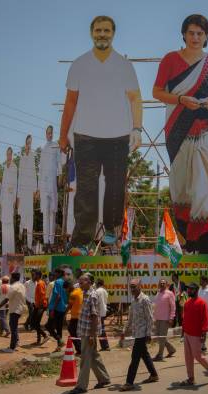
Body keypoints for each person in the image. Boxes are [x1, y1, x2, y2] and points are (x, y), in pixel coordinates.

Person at [59, 15, 142, 251]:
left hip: (118, 136)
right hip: (85, 136)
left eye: (106, 30)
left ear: (113, 33)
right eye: (98, 30)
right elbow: (70, 103)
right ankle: (82, 241)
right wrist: (63, 134)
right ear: (91, 33)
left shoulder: (124, 66)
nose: (102, 34)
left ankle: (111, 228)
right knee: (86, 188)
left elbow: (136, 98)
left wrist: (137, 128)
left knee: (116, 185)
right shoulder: (79, 64)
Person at [152, 14, 208, 254]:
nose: (195, 37)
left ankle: (206, 239)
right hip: (179, 129)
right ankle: (190, 238)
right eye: (191, 32)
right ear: (184, 34)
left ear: (207, 36)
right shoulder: (170, 60)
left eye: (200, 33)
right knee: (182, 184)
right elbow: (157, 92)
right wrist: (180, 99)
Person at [69, 274, 111, 394]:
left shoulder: (92, 295)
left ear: (88, 282)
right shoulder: (86, 294)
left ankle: (81, 386)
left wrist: (92, 335)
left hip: (88, 333)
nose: (79, 284)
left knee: (85, 359)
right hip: (86, 331)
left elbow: (94, 316)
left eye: (82, 282)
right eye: (79, 282)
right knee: (93, 356)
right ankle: (104, 379)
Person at [119, 278, 158, 391]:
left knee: (135, 358)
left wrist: (149, 333)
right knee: (144, 354)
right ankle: (154, 375)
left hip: (143, 334)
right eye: (131, 287)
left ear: (140, 287)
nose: (132, 289)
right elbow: (130, 318)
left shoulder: (145, 300)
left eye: (134, 286)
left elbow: (150, 318)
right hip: (136, 333)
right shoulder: (133, 300)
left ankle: (129, 382)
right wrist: (124, 331)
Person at [178, 282, 208, 386]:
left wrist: (204, 332)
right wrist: (183, 331)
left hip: (196, 334)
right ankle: (190, 378)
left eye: (191, 289)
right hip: (187, 333)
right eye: (188, 289)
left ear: (196, 290)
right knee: (188, 357)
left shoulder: (202, 303)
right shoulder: (187, 303)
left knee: (198, 356)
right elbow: (185, 318)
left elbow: (205, 319)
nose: (188, 291)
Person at [39, 125, 61, 250]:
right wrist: (38, 186)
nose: (50, 134)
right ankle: (45, 241)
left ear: (53, 133)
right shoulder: (42, 148)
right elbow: (40, 168)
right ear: (45, 134)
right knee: (45, 213)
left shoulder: (55, 146)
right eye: (48, 133)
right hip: (43, 184)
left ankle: (51, 241)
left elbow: (59, 163)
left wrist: (60, 176)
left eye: (51, 133)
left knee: (52, 212)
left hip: (52, 183)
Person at [0, 272, 26, 352]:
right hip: (20, 308)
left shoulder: (13, 287)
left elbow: (6, 299)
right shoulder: (21, 285)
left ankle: (12, 347)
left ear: (13, 278)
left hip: (15, 309)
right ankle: (16, 342)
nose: (10, 279)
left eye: (11, 278)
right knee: (14, 327)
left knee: (13, 327)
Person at [153, 278, 176, 361]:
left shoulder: (169, 293)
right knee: (160, 337)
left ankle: (160, 355)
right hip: (157, 319)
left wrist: (171, 318)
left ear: (166, 284)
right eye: (161, 283)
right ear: (159, 284)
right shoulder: (158, 293)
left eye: (163, 283)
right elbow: (156, 306)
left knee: (161, 337)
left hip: (165, 319)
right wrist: (154, 317)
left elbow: (173, 307)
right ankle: (171, 349)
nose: (162, 284)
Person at [1, 147, 18, 255]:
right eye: (7, 154)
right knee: (4, 224)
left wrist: (13, 198)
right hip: (4, 199)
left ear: (12, 155)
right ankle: (4, 251)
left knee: (9, 224)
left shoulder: (14, 167)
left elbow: (15, 184)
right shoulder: (4, 168)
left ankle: (10, 251)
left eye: (10, 154)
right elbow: (2, 184)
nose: (8, 156)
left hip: (10, 198)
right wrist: (1, 199)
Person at [46, 268, 67, 351]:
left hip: (56, 308)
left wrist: (53, 309)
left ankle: (59, 339)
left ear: (58, 274)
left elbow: (58, 296)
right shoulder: (63, 282)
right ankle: (59, 346)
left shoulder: (57, 282)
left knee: (48, 326)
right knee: (59, 327)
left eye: (55, 273)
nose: (54, 274)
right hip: (62, 307)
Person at [31, 270, 49, 345]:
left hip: (41, 306)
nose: (33, 276)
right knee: (34, 322)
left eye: (34, 275)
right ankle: (39, 339)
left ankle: (44, 335)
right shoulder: (40, 283)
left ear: (38, 275)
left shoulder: (40, 283)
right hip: (38, 305)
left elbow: (42, 296)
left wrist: (40, 306)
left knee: (35, 323)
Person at [67, 279, 83, 355]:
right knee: (77, 333)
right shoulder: (79, 290)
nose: (66, 290)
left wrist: (64, 314)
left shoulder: (72, 294)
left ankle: (79, 350)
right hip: (80, 315)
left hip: (75, 316)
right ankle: (81, 349)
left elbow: (70, 306)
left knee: (72, 332)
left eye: (66, 289)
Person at [95, 278, 110, 351]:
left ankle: (105, 346)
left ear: (98, 283)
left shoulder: (97, 291)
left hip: (99, 312)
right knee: (101, 329)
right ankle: (105, 346)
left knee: (100, 330)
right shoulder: (104, 291)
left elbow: (96, 302)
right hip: (103, 312)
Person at [198, 275, 208, 351]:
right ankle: (202, 344)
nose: (200, 282)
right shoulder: (200, 289)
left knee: (207, 329)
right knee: (201, 329)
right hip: (199, 312)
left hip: (207, 312)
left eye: (201, 281)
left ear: (205, 281)